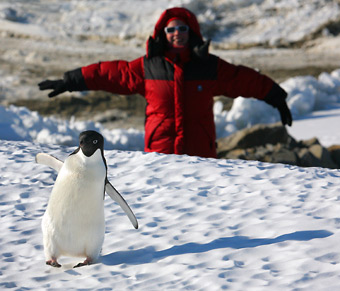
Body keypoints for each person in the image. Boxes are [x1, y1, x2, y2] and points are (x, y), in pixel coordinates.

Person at [39, 7, 292, 158]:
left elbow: (242, 79)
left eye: (182, 29)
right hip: (160, 157)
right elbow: (111, 74)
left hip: (201, 157)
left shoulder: (208, 66)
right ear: (163, 34)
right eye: (171, 30)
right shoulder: (149, 67)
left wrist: (275, 95)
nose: (176, 34)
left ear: (191, 32)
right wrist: (71, 80)